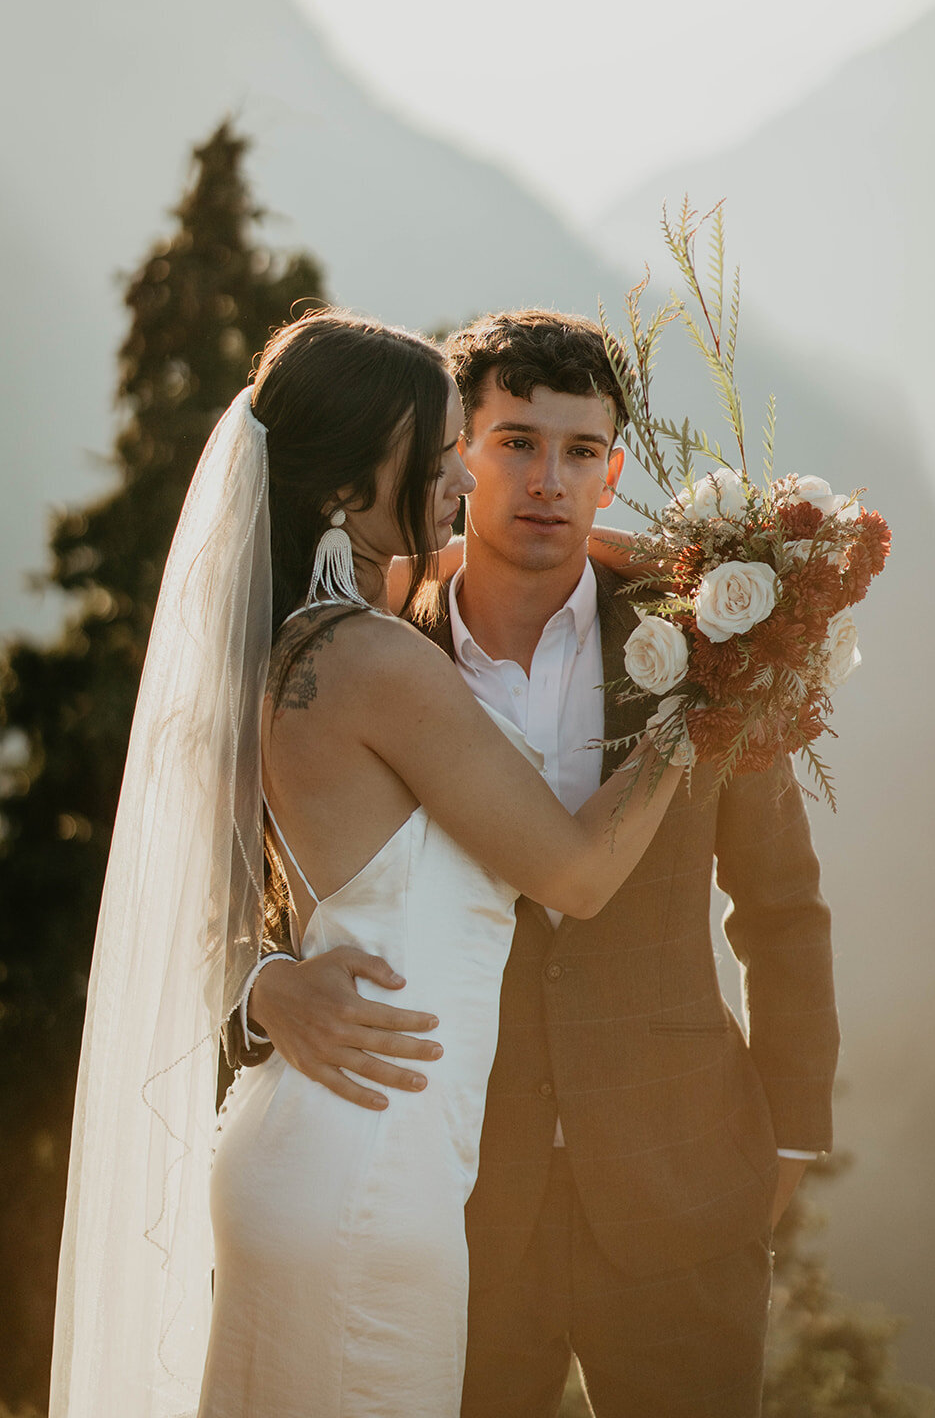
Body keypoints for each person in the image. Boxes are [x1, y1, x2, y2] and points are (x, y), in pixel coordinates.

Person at [49, 312, 686, 1418]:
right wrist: (704, 697)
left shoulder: (292, 644)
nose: (458, 478)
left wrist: (262, 981)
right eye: (438, 453)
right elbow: (575, 875)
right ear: (349, 480)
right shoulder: (377, 659)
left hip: (332, 1155)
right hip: (368, 1185)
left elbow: (218, 879)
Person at [238, 309, 840, 1418]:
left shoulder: (711, 631)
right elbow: (261, 867)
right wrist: (265, 986)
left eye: (577, 450)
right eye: (515, 441)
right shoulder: (367, 645)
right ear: (456, 454)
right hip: (453, 1203)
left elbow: (781, 906)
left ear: (612, 470)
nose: (546, 479)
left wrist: (789, 1138)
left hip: (684, 1189)